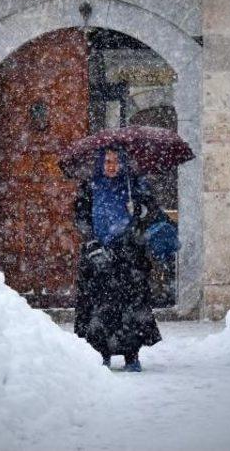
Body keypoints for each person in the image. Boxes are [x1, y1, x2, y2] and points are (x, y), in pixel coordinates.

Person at [73, 147, 162, 372]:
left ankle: (131, 355)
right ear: (100, 163)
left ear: (123, 163)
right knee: (100, 307)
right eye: (107, 161)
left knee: (130, 307)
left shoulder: (134, 186)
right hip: (98, 258)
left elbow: (152, 212)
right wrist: (92, 243)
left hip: (129, 256)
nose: (111, 166)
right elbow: (80, 218)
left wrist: (140, 210)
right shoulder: (90, 188)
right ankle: (101, 354)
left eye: (116, 161)